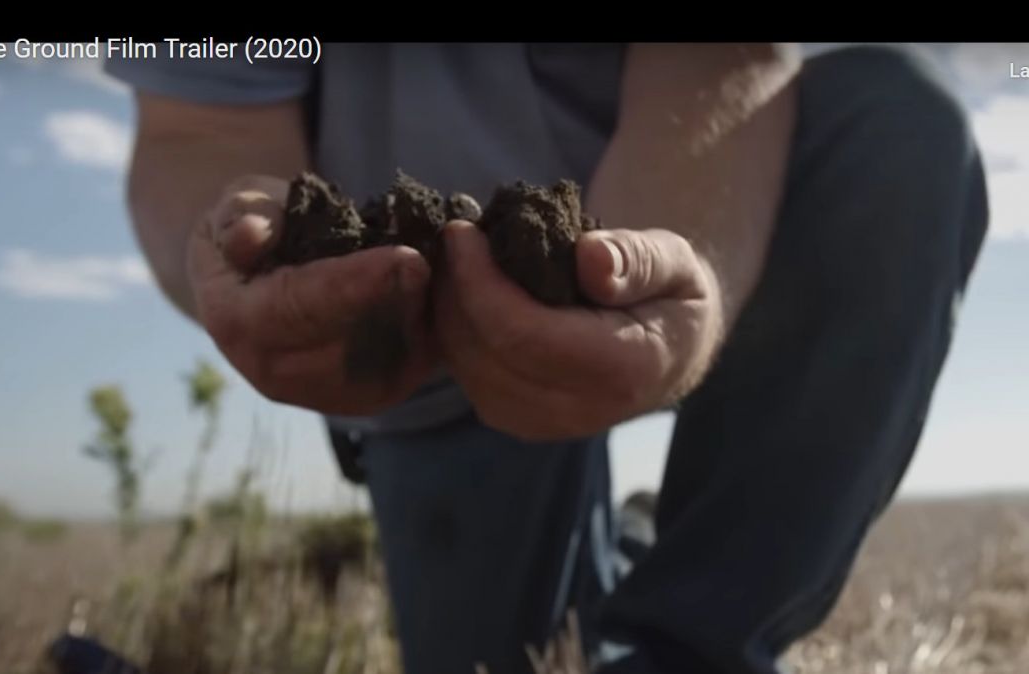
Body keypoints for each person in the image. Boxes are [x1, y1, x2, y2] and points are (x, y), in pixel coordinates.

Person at [103, 43, 988, 674]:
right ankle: (632, 540)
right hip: (407, 343)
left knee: (898, 124)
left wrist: (660, 274)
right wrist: (257, 247)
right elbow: (200, 129)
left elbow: (718, 61)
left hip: (686, 223)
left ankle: (693, 643)